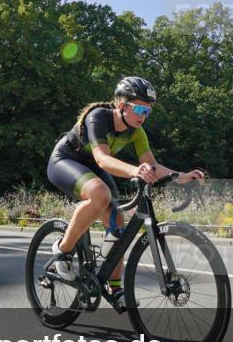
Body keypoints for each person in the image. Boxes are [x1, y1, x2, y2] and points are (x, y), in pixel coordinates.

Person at [46, 76, 204, 304]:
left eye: (148, 111)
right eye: (140, 108)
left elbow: (153, 166)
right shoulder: (98, 117)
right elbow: (101, 159)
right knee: (100, 194)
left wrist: (181, 176)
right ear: (122, 105)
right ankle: (62, 250)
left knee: (117, 219)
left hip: (93, 167)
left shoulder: (136, 132)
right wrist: (135, 171)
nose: (143, 116)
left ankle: (114, 287)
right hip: (66, 160)